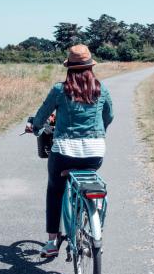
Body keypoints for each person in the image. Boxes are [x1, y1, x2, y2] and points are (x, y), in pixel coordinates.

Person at [28, 44, 114, 258]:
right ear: (90, 67)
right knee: (85, 182)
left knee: (55, 191)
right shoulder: (101, 89)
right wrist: (97, 132)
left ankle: (52, 242)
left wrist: (35, 127)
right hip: (95, 152)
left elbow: (41, 117)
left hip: (64, 152)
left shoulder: (60, 89)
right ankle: (87, 225)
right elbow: (109, 116)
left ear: (69, 68)